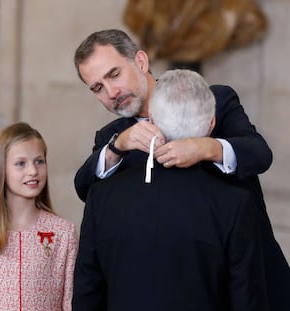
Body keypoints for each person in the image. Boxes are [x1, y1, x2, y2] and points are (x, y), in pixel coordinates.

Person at [73, 29, 290, 310]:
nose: (111, 93)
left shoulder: (215, 101)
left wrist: (205, 147)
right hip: (170, 290)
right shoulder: (113, 136)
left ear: (140, 61)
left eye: (114, 74)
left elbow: (260, 154)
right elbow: (84, 187)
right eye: (97, 88)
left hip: (249, 283)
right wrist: (117, 146)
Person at [0, 122, 78, 311]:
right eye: (20, 163)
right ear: (1, 169)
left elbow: (70, 304)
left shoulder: (63, 233)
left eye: (39, 161)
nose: (33, 170)